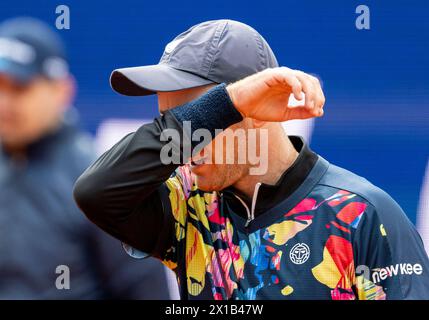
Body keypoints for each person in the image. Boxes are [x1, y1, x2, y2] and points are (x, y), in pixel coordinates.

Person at [74, 19, 429, 300]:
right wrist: (218, 109)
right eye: (174, 122)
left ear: (255, 111)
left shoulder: (361, 215)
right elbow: (96, 192)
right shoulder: (188, 205)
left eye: (201, 118)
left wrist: (227, 105)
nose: (181, 145)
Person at [0, 17, 173, 299]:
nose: (4, 102)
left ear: (61, 91)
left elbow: (144, 289)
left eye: (19, 87)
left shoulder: (98, 181)